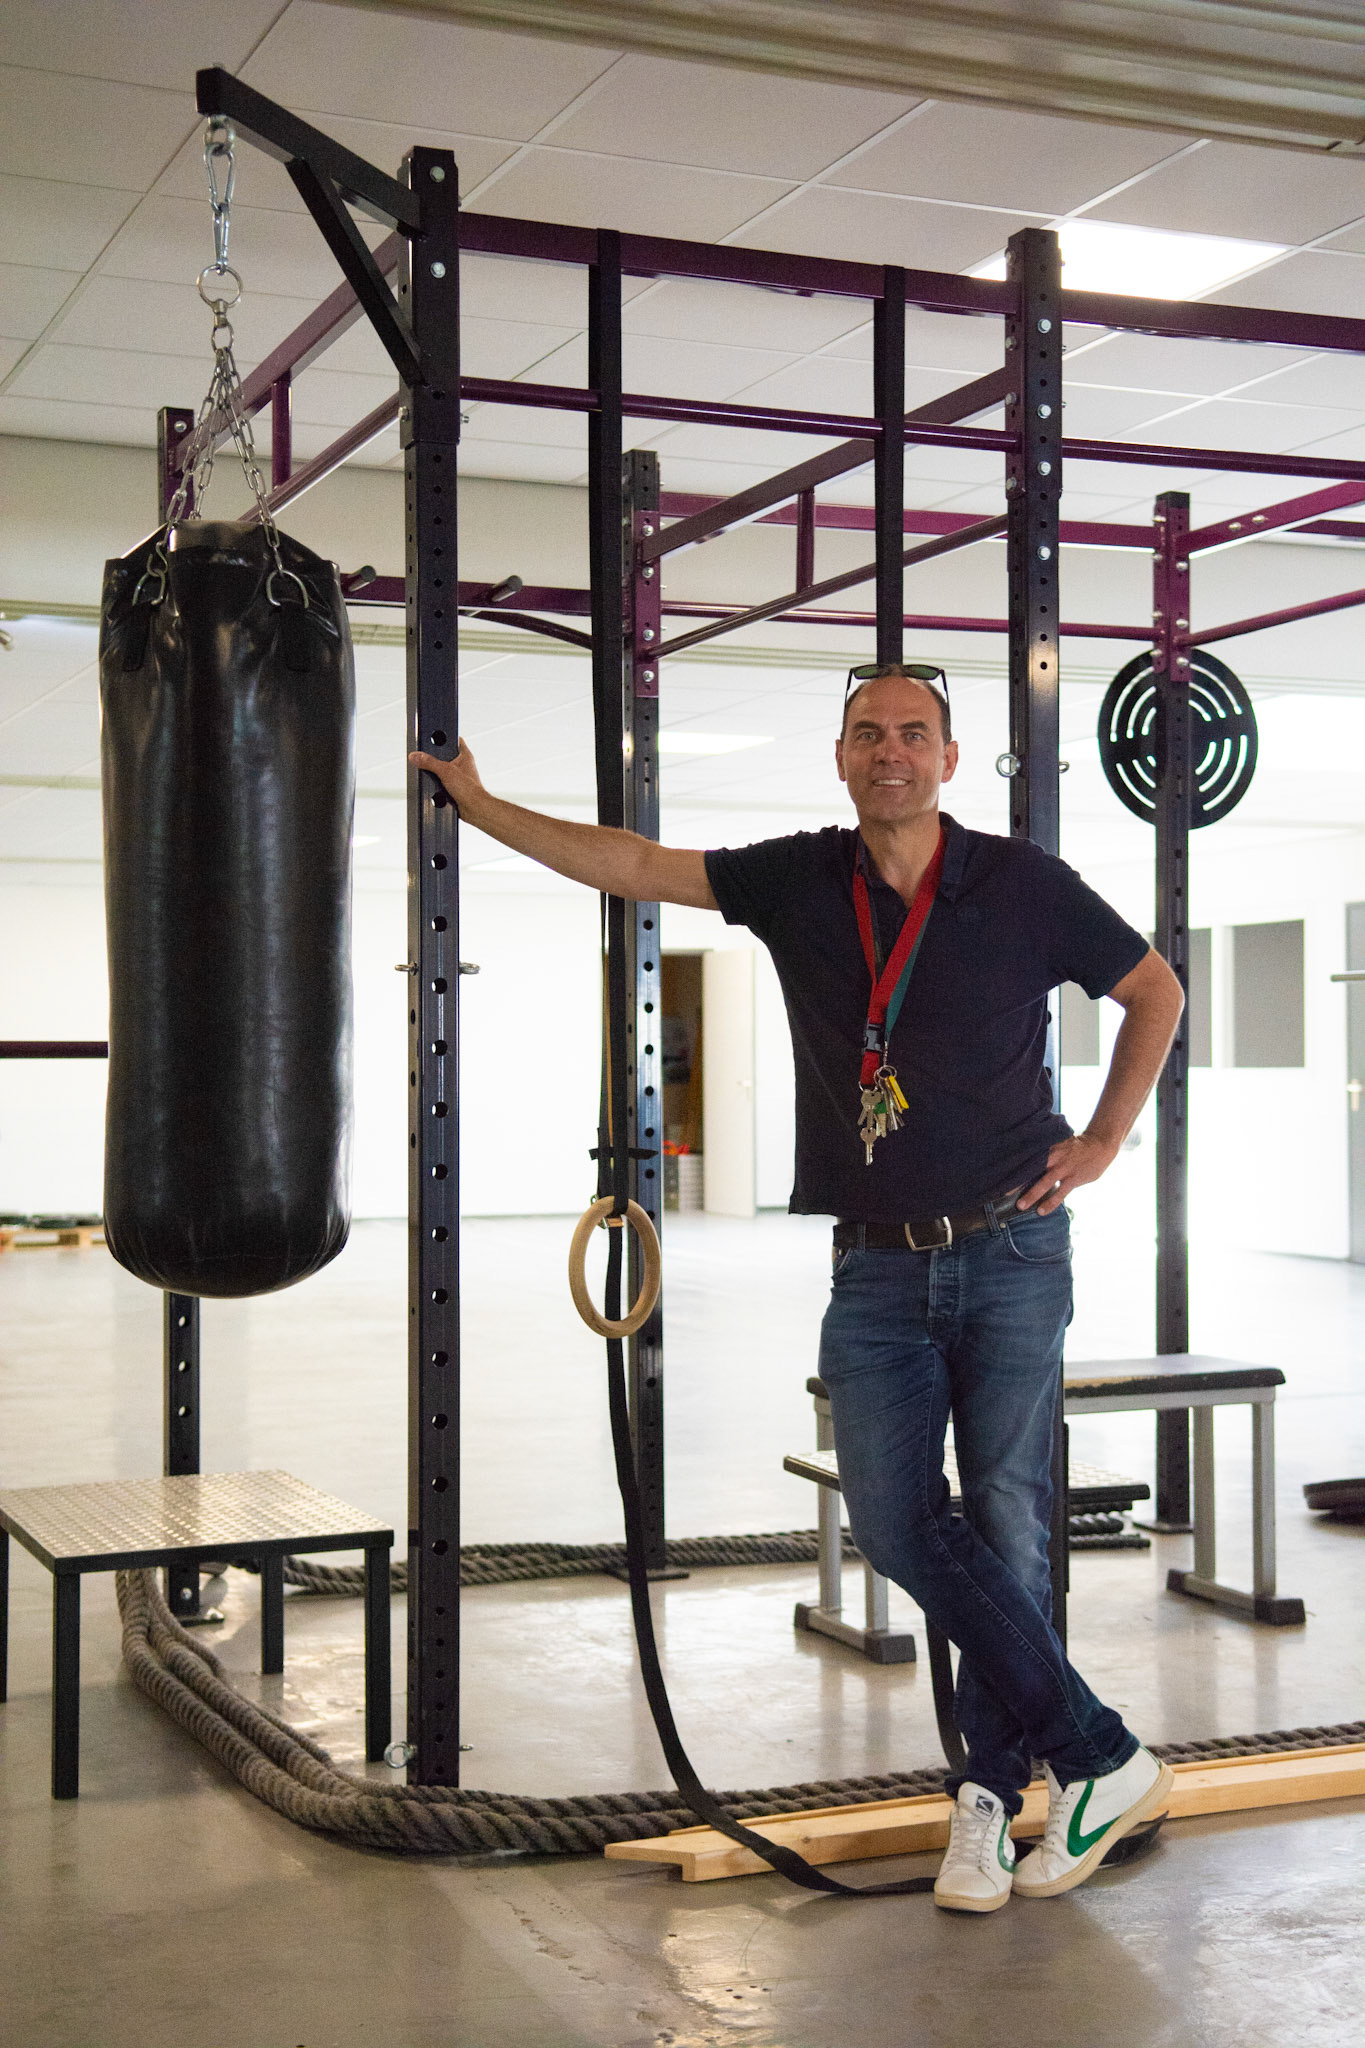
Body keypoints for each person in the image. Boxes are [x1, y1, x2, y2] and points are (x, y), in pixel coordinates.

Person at [411, 658, 1184, 1913]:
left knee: (1006, 1517)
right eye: (869, 733)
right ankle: (1100, 1754)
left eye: (915, 733)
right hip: (873, 1267)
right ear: (840, 757)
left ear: (949, 755)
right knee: (891, 1516)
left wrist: (1100, 1142)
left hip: (1010, 1248)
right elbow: (634, 862)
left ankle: (990, 1796)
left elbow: (1154, 989)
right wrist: (485, 808)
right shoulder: (799, 877)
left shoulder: (1023, 885)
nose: (892, 751)